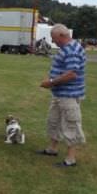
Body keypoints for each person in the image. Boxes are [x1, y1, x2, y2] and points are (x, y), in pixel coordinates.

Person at [38, 24, 86, 167]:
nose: (53, 42)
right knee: (54, 121)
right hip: (60, 94)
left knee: (70, 125)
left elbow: (72, 74)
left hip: (69, 95)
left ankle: (70, 159)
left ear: (62, 36)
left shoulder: (71, 50)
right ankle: (52, 149)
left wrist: (51, 82)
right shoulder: (66, 48)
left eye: (54, 39)